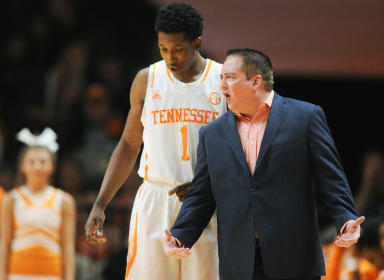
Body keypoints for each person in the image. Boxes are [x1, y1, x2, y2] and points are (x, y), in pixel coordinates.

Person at [163, 48, 364, 280]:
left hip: (294, 257)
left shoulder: (306, 116)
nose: (222, 86)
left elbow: (331, 178)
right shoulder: (212, 133)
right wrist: (180, 235)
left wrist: (346, 219)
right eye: (221, 78)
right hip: (239, 261)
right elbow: (201, 194)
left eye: (230, 77)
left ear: (255, 82)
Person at [84, 2, 226, 280]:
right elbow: (128, 145)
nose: (170, 57)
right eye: (164, 49)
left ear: (196, 42)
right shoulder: (146, 80)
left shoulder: (223, 79)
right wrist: (101, 203)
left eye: (178, 49)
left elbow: (243, 148)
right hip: (156, 199)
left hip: (207, 202)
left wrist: (206, 185)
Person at [0, 127, 76, 280]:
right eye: (32, 161)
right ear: (22, 166)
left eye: (43, 161)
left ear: (52, 167)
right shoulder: (11, 199)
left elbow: (68, 248)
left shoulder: (64, 200)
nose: (37, 167)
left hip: (52, 273)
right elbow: (4, 244)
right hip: (17, 273)